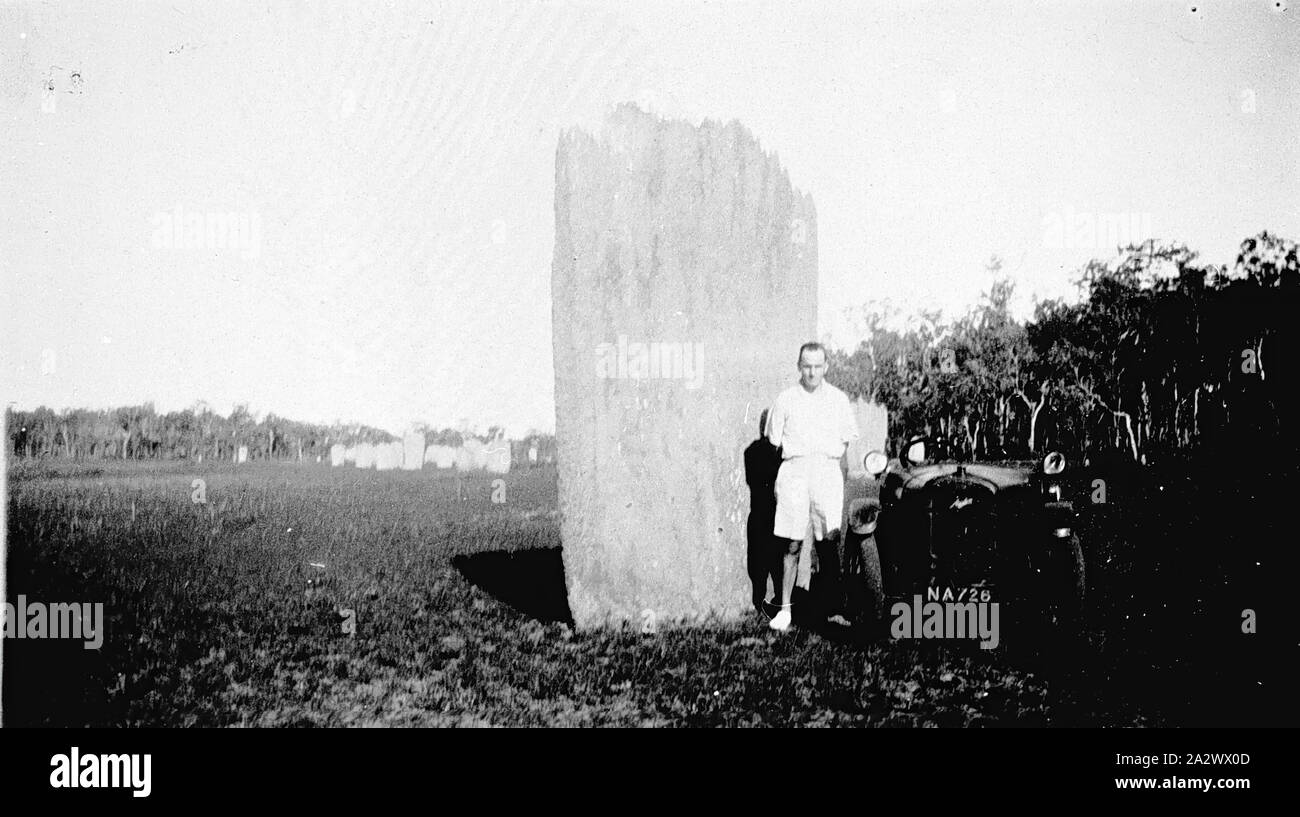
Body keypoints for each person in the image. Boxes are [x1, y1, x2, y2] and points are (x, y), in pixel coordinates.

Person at [764, 341, 860, 631]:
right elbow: (773, 442)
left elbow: (849, 441)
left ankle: (831, 609)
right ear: (799, 366)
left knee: (828, 542)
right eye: (807, 366)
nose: (812, 372)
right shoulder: (785, 400)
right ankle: (785, 610)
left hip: (827, 471)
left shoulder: (839, 400)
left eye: (818, 366)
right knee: (792, 542)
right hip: (795, 471)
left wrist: (853, 472)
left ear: (826, 367)